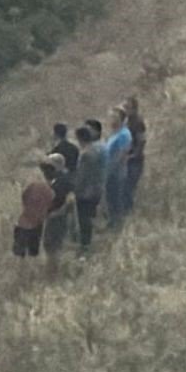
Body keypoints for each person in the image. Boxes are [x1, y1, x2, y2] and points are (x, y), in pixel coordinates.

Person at [72, 126, 104, 255]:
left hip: (86, 192)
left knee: (84, 220)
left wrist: (75, 189)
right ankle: (88, 242)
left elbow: (82, 176)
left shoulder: (85, 154)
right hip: (96, 188)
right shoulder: (96, 149)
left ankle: (85, 246)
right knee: (89, 217)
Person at [13, 167, 54, 261]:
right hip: (38, 222)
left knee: (19, 250)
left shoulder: (32, 186)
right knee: (33, 250)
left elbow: (23, 197)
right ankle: (32, 268)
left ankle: (20, 266)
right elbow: (50, 204)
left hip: (25, 220)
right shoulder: (48, 190)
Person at [41, 154, 72, 272]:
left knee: (51, 244)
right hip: (55, 216)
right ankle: (54, 268)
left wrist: (59, 212)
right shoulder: (61, 179)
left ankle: (53, 270)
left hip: (57, 218)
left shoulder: (61, 182)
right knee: (53, 244)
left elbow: (70, 200)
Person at [105, 107, 133, 229]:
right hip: (110, 170)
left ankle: (118, 225)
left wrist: (110, 169)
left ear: (121, 119)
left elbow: (122, 154)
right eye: (111, 117)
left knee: (116, 198)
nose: (111, 120)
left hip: (117, 172)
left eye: (114, 117)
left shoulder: (124, 134)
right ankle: (112, 222)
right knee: (111, 198)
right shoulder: (115, 133)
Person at [123, 96, 147, 213]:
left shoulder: (138, 122)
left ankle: (128, 214)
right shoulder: (128, 121)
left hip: (134, 162)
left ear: (134, 109)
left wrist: (134, 155)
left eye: (128, 107)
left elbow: (141, 140)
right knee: (124, 188)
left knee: (128, 188)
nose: (126, 110)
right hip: (127, 159)